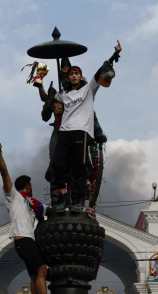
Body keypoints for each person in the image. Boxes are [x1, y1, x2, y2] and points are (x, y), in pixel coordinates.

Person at [49, 41, 122, 212]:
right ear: (68, 78)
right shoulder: (63, 95)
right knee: (58, 164)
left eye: (77, 73)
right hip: (64, 133)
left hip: (80, 132)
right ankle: (61, 195)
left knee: (79, 167)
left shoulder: (89, 89)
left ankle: (78, 201)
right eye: (72, 74)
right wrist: (40, 84)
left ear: (81, 77)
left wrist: (115, 55)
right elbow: (48, 99)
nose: (74, 76)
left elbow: (101, 71)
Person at [0, 138, 59, 294]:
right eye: (31, 186)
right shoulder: (13, 196)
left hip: (27, 240)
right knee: (42, 271)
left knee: (34, 275)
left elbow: (52, 209)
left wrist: (59, 194)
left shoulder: (34, 204)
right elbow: (4, 172)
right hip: (23, 239)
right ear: (28, 186)